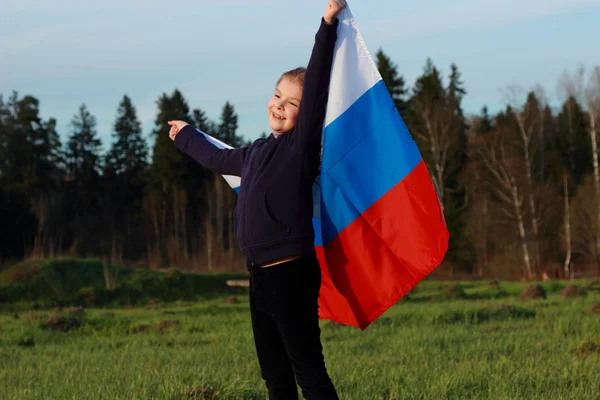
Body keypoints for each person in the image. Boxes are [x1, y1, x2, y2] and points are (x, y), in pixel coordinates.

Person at [167, 1, 346, 398]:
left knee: (308, 372)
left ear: (306, 115)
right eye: (277, 95)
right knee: (274, 376)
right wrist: (185, 135)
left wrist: (326, 25)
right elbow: (215, 157)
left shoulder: (301, 149)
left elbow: (316, 88)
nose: (279, 105)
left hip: (290, 273)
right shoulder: (253, 154)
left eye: (291, 102)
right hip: (259, 276)